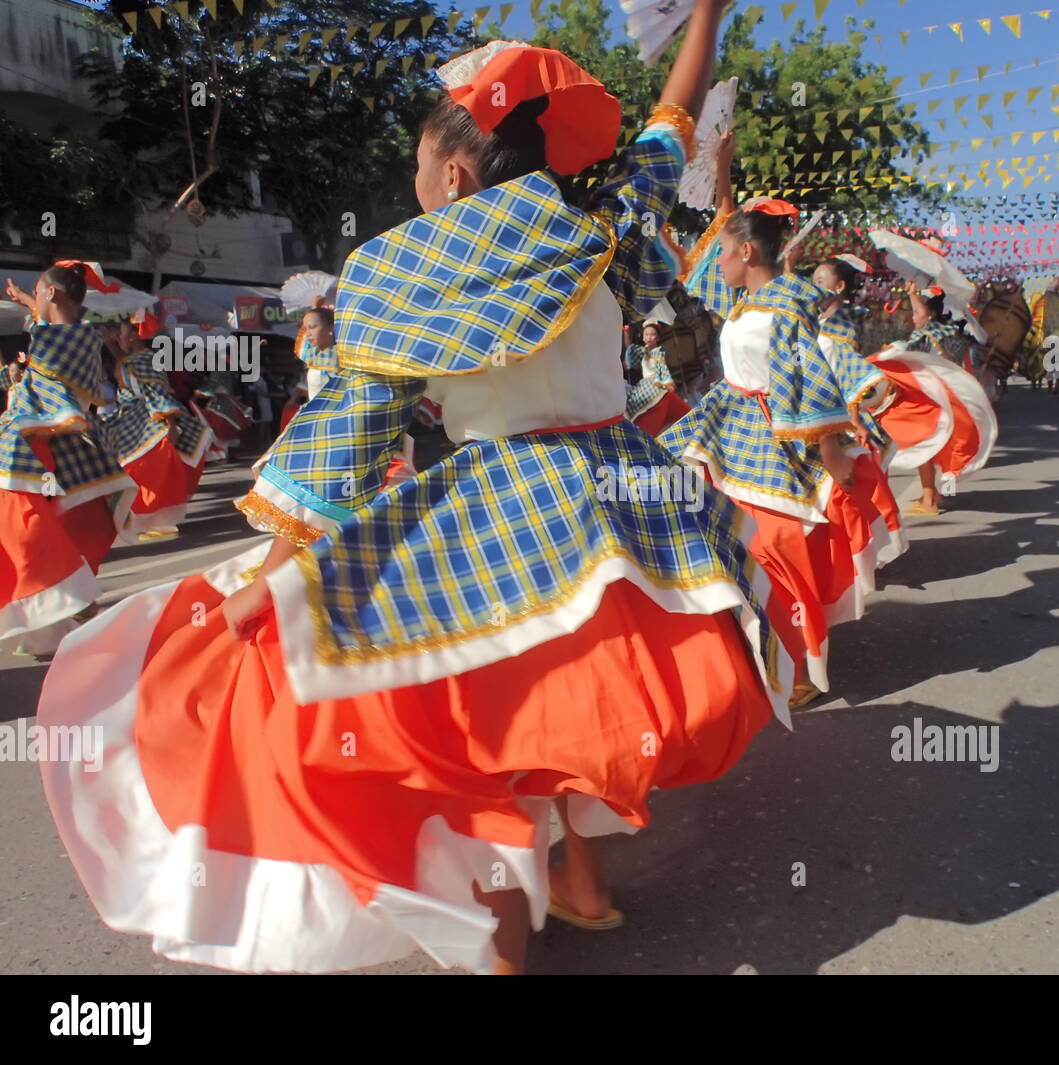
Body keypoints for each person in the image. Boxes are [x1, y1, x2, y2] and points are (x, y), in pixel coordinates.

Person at [39, 9, 792, 977]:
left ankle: (509, 951)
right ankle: (584, 885)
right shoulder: (604, 219)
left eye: (416, 164)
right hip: (635, 514)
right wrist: (709, 14)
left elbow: (344, 443)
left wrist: (271, 577)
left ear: (455, 175)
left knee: (477, 748)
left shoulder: (400, 266)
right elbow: (673, 120)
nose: (413, 184)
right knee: (574, 719)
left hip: (500, 518)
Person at [662, 196, 880, 709]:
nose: (718, 261)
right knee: (730, 540)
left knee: (776, 549)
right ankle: (752, 644)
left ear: (749, 251)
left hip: (770, 438)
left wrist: (829, 448)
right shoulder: (743, 302)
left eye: (725, 253)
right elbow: (693, 269)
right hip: (726, 431)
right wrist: (719, 178)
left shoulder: (785, 306)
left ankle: (800, 661)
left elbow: (809, 377)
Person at [0, 263, 134, 655]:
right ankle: (55, 620)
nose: (34, 300)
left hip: (35, 447)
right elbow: (44, 330)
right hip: (49, 448)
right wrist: (29, 299)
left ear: (53, 294)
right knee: (53, 529)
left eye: (38, 292)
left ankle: (70, 603)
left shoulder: (64, 339)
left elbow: (48, 374)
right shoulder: (73, 335)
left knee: (26, 530)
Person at [848, 280, 998, 517]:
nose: (913, 316)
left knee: (922, 444)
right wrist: (912, 294)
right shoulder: (951, 330)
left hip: (929, 395)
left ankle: (930, 500)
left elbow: (901, 349)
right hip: (949, 392)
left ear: (930, 313)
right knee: (938, 444)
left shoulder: (924, 334)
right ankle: (936, 493)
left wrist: (883, 353)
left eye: (917, 311)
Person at [811, 256, 908, 566]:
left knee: (851, 493)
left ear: (839, 287)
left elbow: (848, 373)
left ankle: (859, 557)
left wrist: (852, 419)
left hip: (842, 417)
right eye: (812, 280)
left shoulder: (843, 323)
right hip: (822, 414)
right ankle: (848, 557)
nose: (813, 287)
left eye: (820, 281)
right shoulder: (823, 321)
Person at [98, 318, 211, 541]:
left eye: (120, 332)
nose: (116, 335)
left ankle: (160, 521)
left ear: (132, 335)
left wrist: (170, 425)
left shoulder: (145, 359)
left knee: (145, 471)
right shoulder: (136, 358)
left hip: (150, 419)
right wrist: (110, 344)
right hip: (134, 419)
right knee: (132, 471)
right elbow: (124, 365)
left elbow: (156, 392)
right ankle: (145, 520)